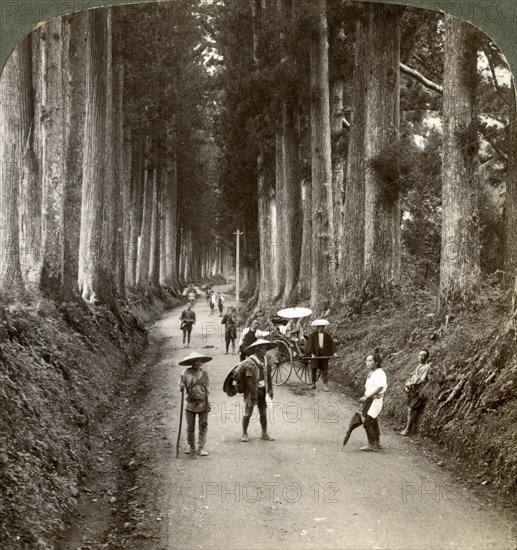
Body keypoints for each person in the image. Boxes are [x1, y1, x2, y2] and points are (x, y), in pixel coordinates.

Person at [240, 339, 276, 442]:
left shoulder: (266, 360)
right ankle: (244, 433)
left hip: (263, 391)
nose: (265, 350)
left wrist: (270, 389)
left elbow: (269, 376)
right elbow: (249, 378)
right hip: (252, 391)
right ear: (257, 349)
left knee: (263, 413)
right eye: (263, 348)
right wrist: (253, 392)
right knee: (248, 413)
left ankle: (264, 433)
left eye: (265, 348)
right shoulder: (250, 362)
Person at [178, 352, 212, 458]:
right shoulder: (185, 373)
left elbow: (207, 389)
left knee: (203, 426)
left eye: (200, 361)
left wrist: (209, 402)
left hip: (203, 403)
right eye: (196, 361)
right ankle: (191, 447)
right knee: (190, 427)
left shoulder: (204, 373)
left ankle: (200, 447)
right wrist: (182, 386)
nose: (198, 363)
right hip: (190, 404)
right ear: (192, 362)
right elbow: (181, 384)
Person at [359, 349, 387, 452]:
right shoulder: (372, 372)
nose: (368, 363)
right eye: (367, 361)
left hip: (376, 400)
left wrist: (367, 397)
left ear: (376, 362)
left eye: (370, 361)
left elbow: (380, 387)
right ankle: (377, 442)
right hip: (370, 400)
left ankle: (372, 444)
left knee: (367, 422)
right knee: (373, 420)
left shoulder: (380, 373)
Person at [399, 349, 433, 436]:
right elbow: (414, 377)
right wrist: (408, 383)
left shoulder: (426, 367)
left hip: (419, 391)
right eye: (419, 355)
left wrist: (411, 383)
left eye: (423, 356)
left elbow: (420, 380)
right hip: (413, 391)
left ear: (427, 357)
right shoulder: (419, 366)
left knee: (411, 409)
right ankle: (410, 428)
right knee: (409, 409)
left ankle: (407, 430)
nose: (420, 357)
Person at [306, 320, 335, 391]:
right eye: (319, 327)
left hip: (324, 353)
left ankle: (325, 385)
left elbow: (332, 345)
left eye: (322, 327)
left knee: (324, 370)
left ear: (324, 327)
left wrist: (334, 353)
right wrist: (312, 354)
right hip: (315, 354)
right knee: (313, 369)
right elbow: (310, 345)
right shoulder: (312, 335)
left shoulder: (327, 336)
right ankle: (313, 384)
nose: (321, 328)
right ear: (317, 327)